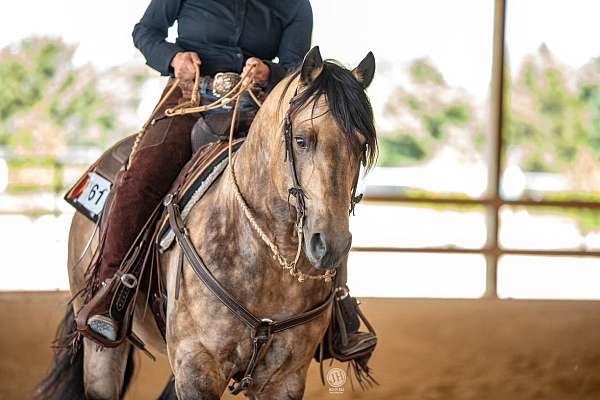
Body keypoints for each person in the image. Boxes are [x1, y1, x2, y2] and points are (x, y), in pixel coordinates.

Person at [84, 0, 373, 358]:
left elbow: (300, 70)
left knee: (318, 186)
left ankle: (339, 307)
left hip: (263, 112)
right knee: (143, 176)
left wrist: (270, 71)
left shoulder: (295, 5)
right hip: (190, 100)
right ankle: (114, 289)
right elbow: (146, 33)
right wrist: (174, 59)